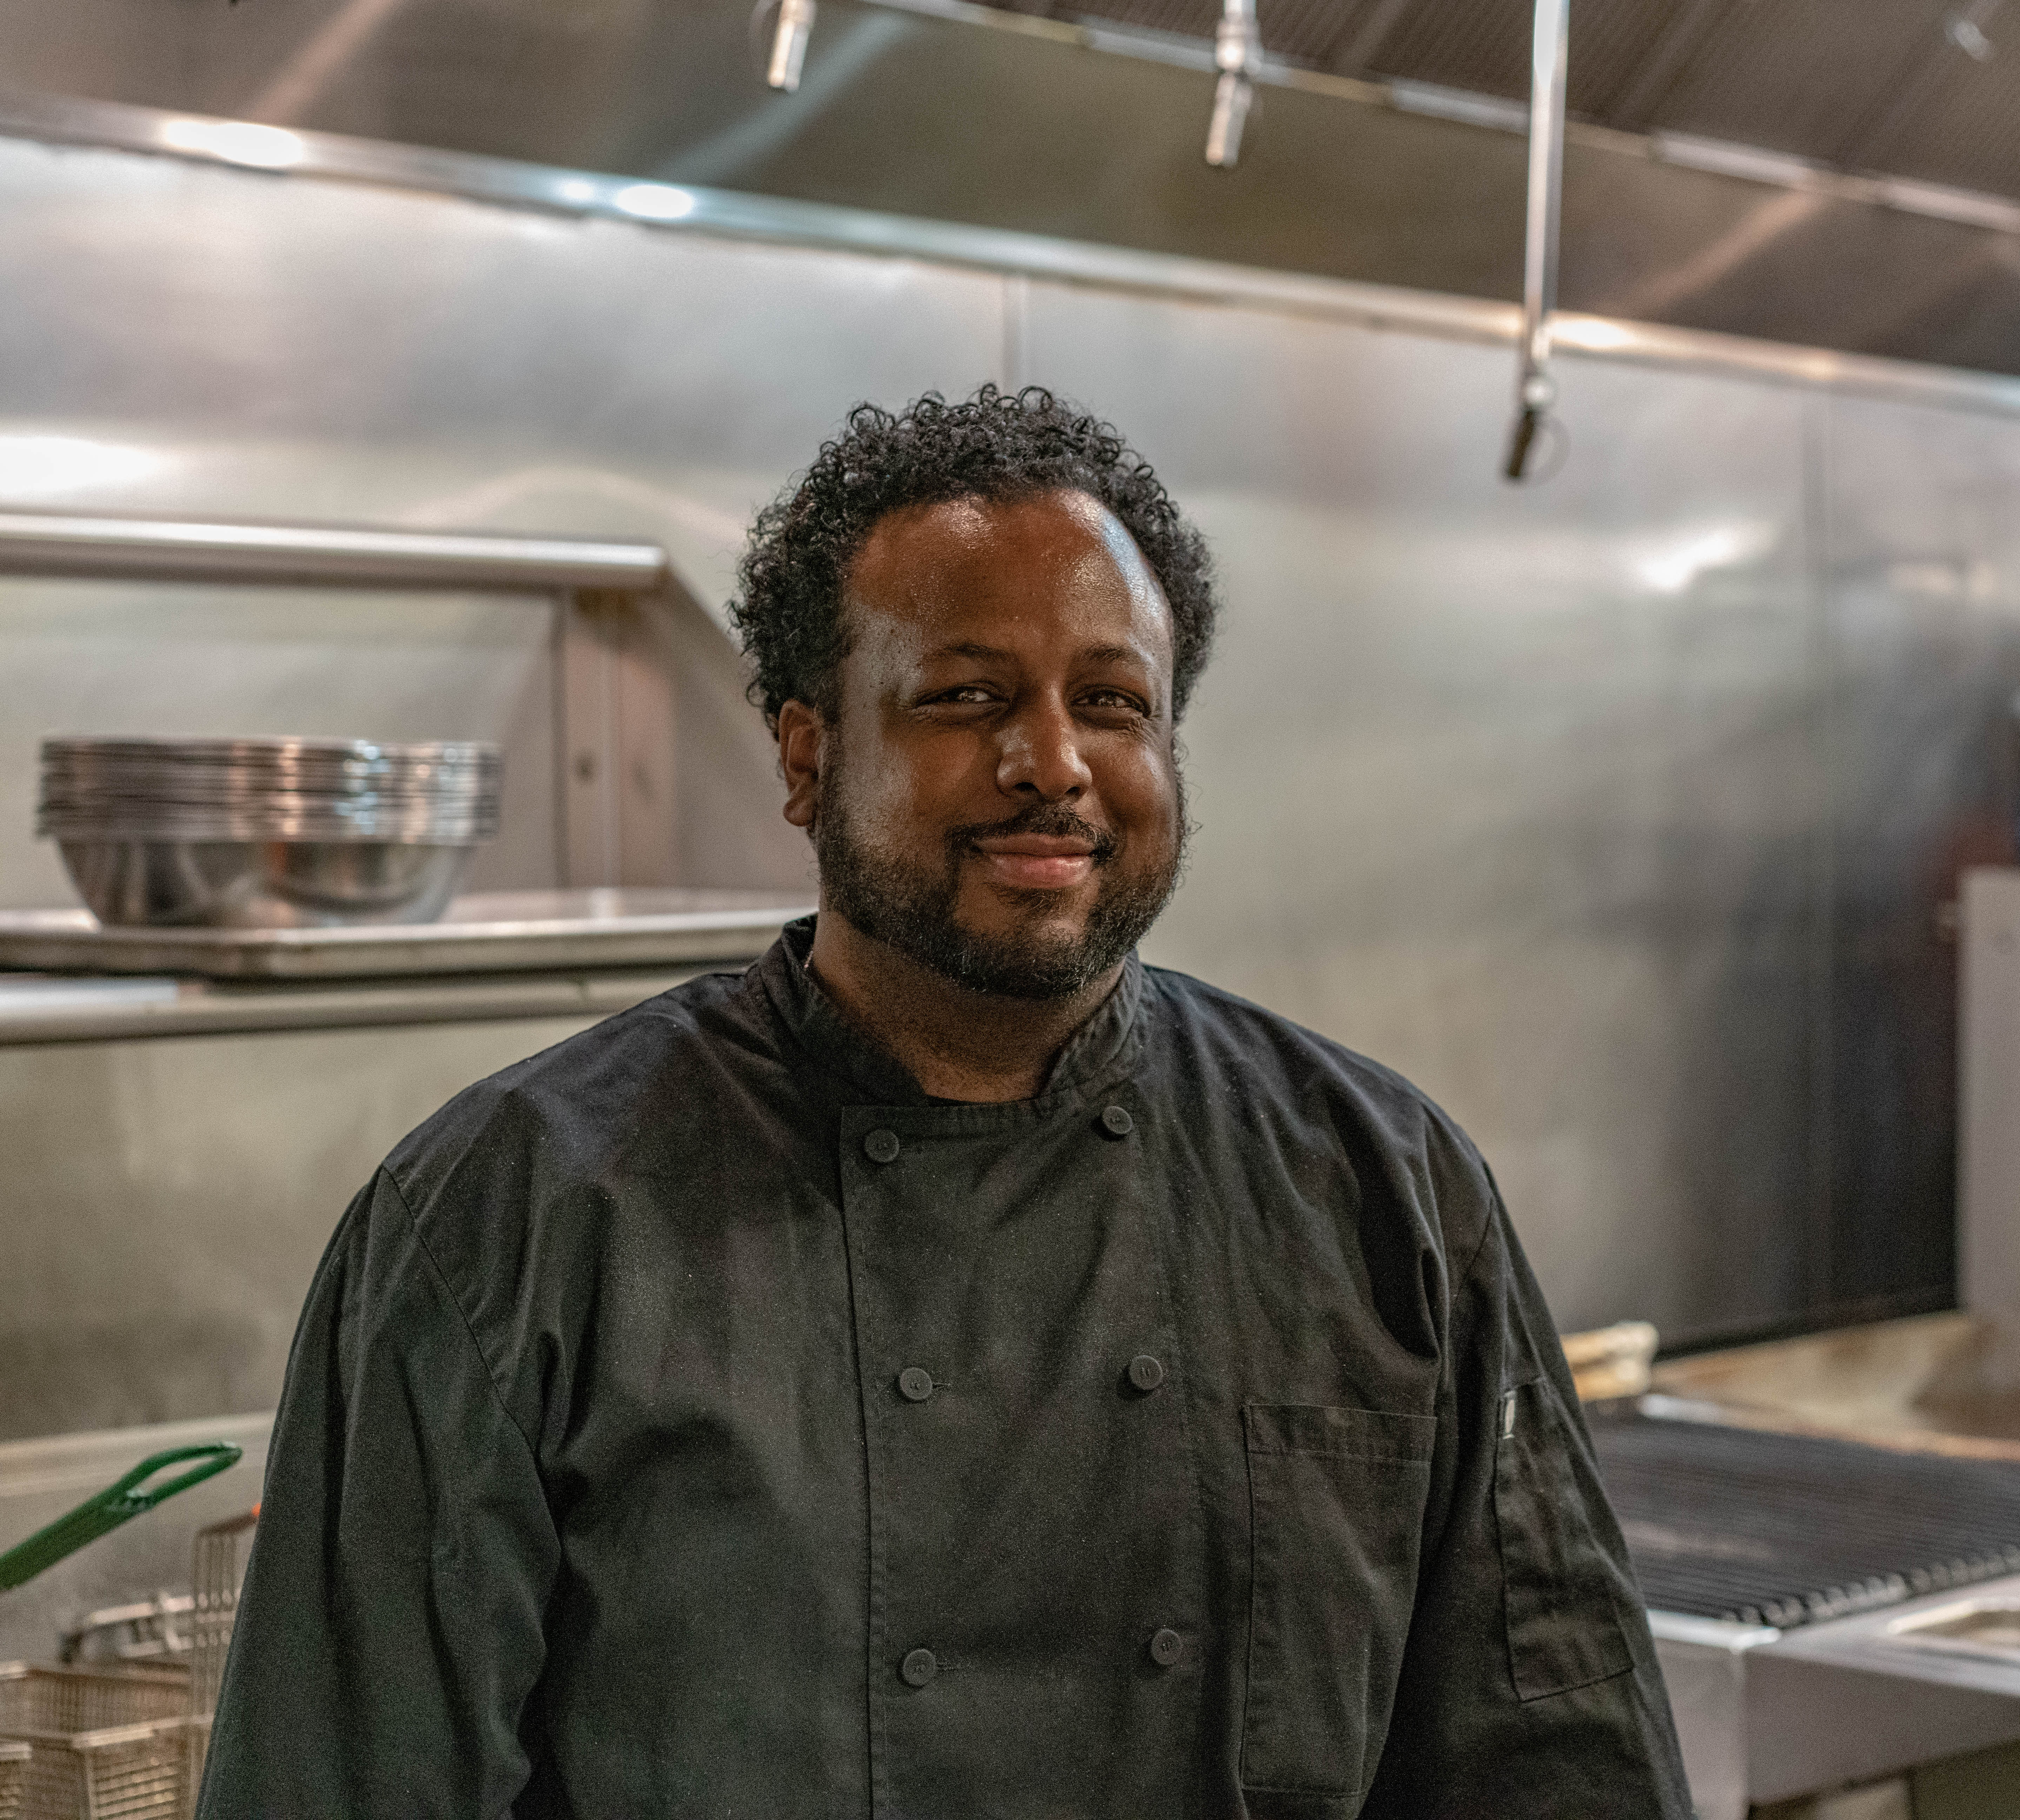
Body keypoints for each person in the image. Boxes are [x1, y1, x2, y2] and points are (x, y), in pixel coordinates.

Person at [199, 386, 1691, 1818]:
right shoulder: (508, 1220)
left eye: (1111, 701)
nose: (1052, 762)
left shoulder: (1381, 1189)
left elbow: (1559, 1763)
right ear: (807, 756)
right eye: (966, 696)